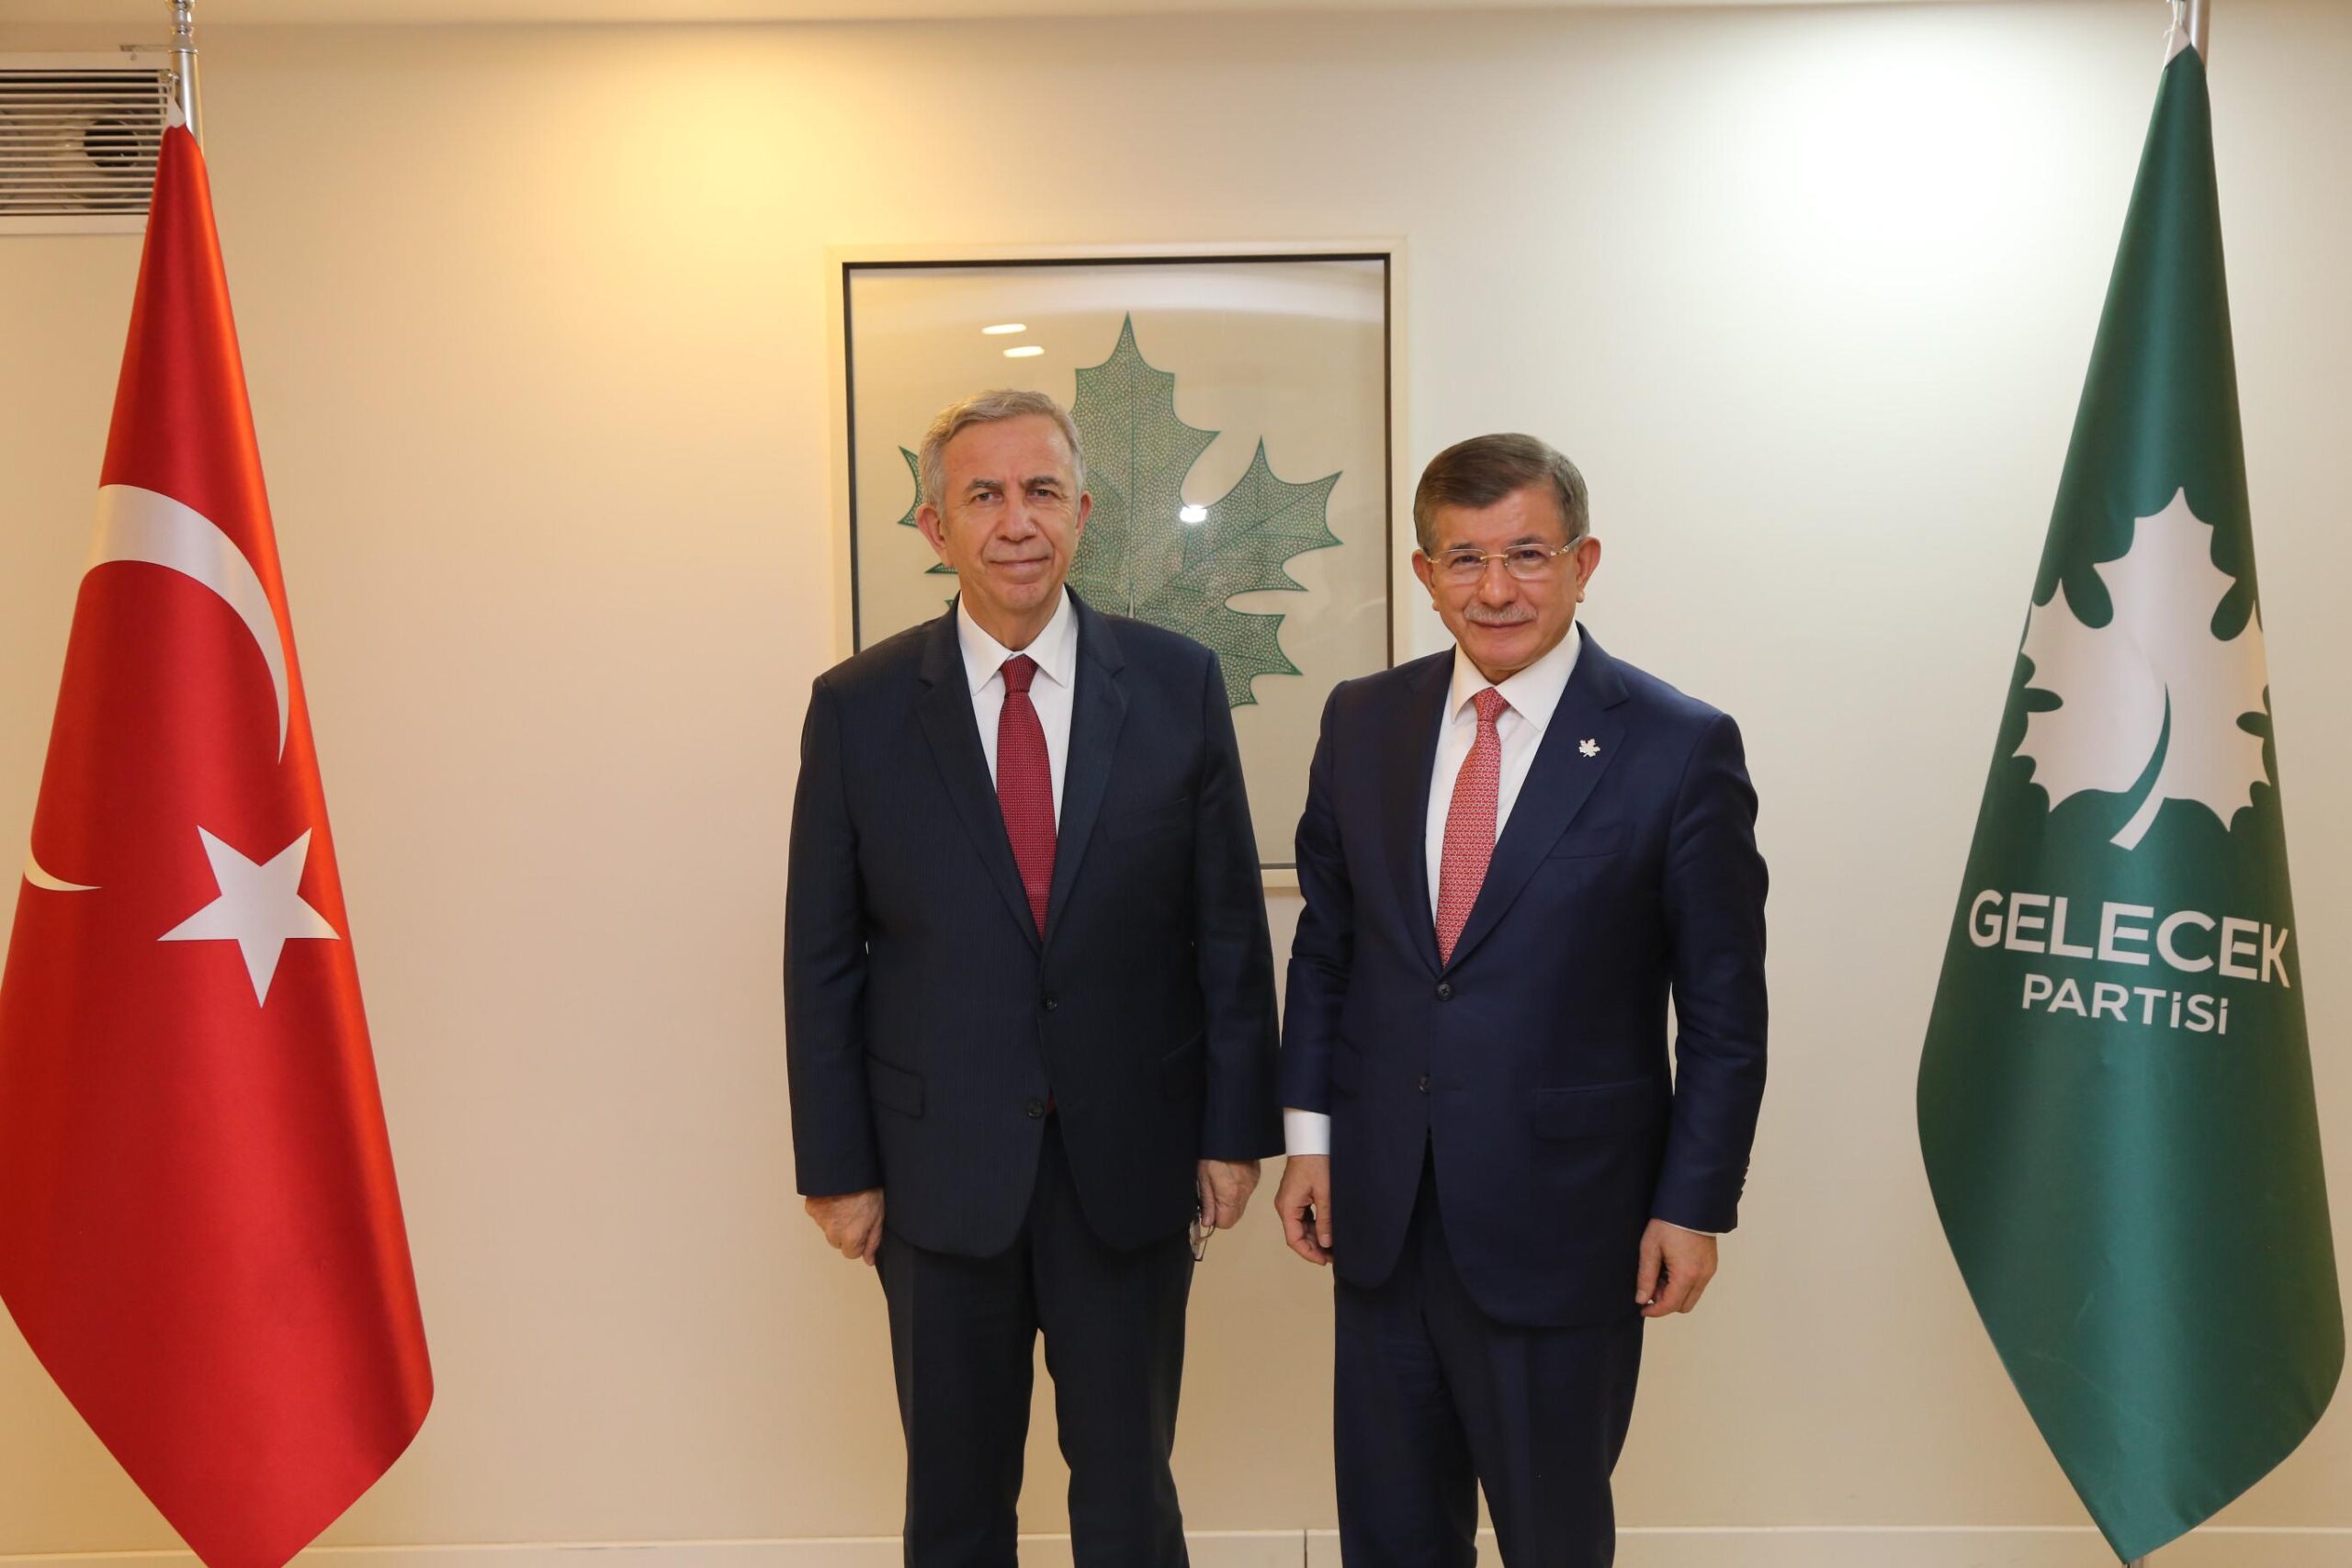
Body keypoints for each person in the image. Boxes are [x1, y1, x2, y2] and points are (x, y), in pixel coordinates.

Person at [785, 388, 1282, 1567]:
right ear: (935, 526)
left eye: (1042, 491)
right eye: (985, 495)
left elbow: (1226, 929)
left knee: (1128, 1490)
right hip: (936, 1171)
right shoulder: (857, 708)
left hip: (1131, 1160)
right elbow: (821, 957)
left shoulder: (1175, 683)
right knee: (955, 1504)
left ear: (1083, 513)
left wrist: (1233, 1132)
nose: (1017, 521)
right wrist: (838, 1167)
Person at [1272, 433, 1767, 1567]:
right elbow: (1327, 949)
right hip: (1382, 1213)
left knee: (1552, 1537)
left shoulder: (1678, 747)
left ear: (1583, 562)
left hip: (1570, 1224)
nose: (1495, 589)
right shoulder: (1362, 721)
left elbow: (1724, 1013)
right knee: (1392, 1536)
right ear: (1423, 573)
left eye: (1528, 555)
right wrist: (1310, 1140)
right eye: (1464, 559)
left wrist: (1693, 1205)